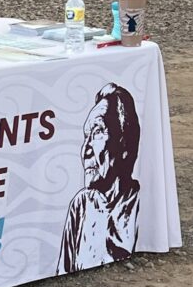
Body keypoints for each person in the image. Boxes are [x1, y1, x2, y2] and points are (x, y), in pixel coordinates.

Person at [57, 83, 142, 275]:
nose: (85, 150)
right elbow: (62, 271)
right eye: (85, 136)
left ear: (124, 142)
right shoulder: (81, 206)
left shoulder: (141, 203)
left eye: (97, 132)